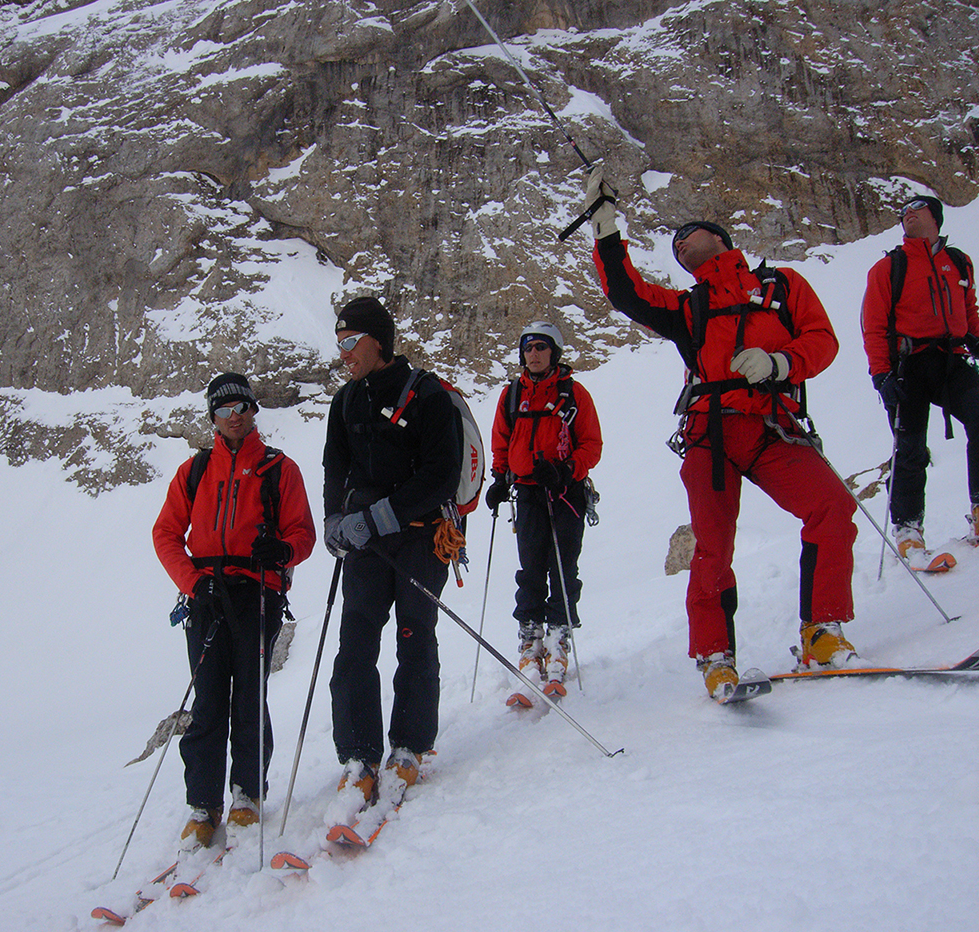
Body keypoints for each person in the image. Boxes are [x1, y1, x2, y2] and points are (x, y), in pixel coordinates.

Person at [583, 168, 859, 698]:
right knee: (712, 545)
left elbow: (822, 341)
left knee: (831, 506)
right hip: (711, 434)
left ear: (722, 240)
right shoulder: (691, 307)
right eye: (676, 245)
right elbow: (629, 293)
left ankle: (822, 630)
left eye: (689, 234)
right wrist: (605, 227)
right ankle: (715, 656)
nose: (681, 243)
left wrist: (780, 362)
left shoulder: (782, 286)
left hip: (773, 425)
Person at [152, 373, 316, 848]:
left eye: (242, 407)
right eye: (224, 410)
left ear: (253, 411)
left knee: (248, 697)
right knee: (207, 704)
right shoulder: (195, 471)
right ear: (213, 418)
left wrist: (281, 553)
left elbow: (301, 533)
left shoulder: (278, 469)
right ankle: (203, 806)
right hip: (204, 596)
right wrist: (192, 582)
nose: (234, 416)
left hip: (256, 595)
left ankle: (246, 795)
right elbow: (165, 534)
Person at [322, 296, 461, 810]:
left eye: (349, 341)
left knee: (414, 635)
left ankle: (409, 745)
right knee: (355, 642)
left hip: (420, 537)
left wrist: (375, 517)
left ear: (377, 340)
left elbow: (439, 475)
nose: (343, 353)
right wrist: (335, 521)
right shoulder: (345, 401)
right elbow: (334, 470)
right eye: (338, 343)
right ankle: (358, 756)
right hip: (363, 541)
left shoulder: (426, 394)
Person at [484, 319, 602, 695]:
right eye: (528, 348)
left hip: (565, 492)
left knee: (563, 566)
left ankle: (558, 638)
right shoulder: (512, 394)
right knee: (531, 567)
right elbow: (501, 439)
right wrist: (500, 478)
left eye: (541, 347)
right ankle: (530, 640)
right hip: (529, 493)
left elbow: (591, 444)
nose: (533, 354)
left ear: (554, 352)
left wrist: (567, 469)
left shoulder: (574, 394)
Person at [860, 194, 979, 556]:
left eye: (916, 208)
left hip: (950, 360)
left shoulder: (959, 263)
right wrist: (882, 377)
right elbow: (875, 326)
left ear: (936, 217)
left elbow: (968, 308)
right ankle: (908, 527)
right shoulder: (889, 268)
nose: (907, 214)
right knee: (910, 447)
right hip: (906, 366)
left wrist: (976, 338)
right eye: (903, 212)